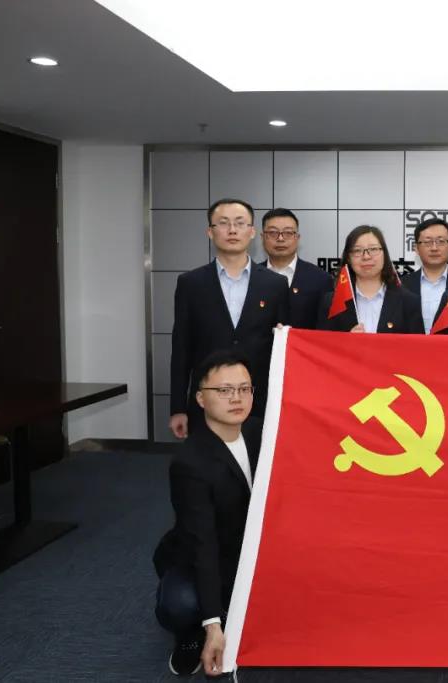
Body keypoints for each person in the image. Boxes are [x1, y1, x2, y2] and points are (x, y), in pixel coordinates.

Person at [154, 349, 261, 677]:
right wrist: (213, 625)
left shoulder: (262, 433)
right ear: (201, 399)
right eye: (224, 390)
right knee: (181, 604)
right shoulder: (190, 463)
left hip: (251, 551)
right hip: (201, 555)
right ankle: (193, 633)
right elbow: (203, 543)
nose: (236, 398)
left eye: (244, 388)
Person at [169, 198, 289, 439]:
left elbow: (282, 348)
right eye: (223, 223)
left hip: (258, 401)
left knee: (255, 460)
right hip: (207, 401)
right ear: (210, 232)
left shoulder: (275, 284)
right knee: (207, 461)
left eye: (240, 223)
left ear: (252, 232)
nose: (232, 230)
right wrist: (177, 408)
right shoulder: (191, 283)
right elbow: (181, 349)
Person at [317, 225, 424, 333]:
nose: (366, 257)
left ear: (384, 254)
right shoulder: (332, 302)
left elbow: (416, 343)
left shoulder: (408, 301)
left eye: (373, 249)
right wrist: (347, 340)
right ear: (348, 258)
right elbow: (320, 342)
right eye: (357, 250)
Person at [257, 208, 333, 330]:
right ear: (262, 237)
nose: (280, 239)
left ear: (297, 237)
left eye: (288, 233)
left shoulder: (321, 279)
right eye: (273, 233)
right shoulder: (252, 276)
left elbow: (326, 330)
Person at [400, 217, 448, 334]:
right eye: (427, 242)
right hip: (411, 346)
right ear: (416, 248)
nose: (434, 248)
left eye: (441, 241)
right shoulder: (401, 285)